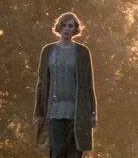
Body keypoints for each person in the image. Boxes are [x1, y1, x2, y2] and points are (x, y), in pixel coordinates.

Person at [33, 12, 97, 157]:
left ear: (75, 29)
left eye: (70, 26)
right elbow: (41, 82)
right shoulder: (48, 51)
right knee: (57, 151)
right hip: (53, 110)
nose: (67, 29)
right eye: (64, 25)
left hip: (77, 112)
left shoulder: (82, 52)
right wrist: (38, 113)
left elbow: (88, 83)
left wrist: (93, 112)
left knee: (74, 153)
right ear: (59, 27)